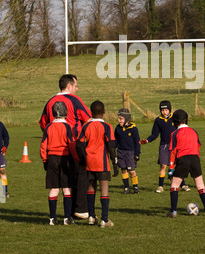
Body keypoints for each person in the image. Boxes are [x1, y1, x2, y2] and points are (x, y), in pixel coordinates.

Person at [39, 74, 91, 220]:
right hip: (73, 144)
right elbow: (87, 119)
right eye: (75, 86)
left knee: (59, 184)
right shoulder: (74, 100)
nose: (77, 88)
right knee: (81, 174)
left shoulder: (50, 102)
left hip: (53, 150)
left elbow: (43, 123)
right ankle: (80, 209)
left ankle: (63, 215)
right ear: (69, 86)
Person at [76, 100, 118, 228]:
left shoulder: (86, 126)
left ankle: (91, 216)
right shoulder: (107, 127)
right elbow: (111, 145)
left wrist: (83, 159)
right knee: (104, 189)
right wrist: (114, 163)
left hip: (90, 161)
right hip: (102, 162)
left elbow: (79, 144)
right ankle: (104, 219)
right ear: (104, 112)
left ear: (91, 112)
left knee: (91, 188)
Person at [166, 109, 205, 217]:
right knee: (200, 184)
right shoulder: (194, 131)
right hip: (195, 159)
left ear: (174, 121)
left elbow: (173, 151)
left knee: (174, 185)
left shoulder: (174, 133)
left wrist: (171, 168)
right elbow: (198, 146)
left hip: (183, 159)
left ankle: (173, 211)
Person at [40, 101, 79, 225]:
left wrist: (45, 159)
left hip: (51, 159)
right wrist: (76, 158)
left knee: (54, 189)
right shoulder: (68, 127)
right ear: (65, 112)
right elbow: (72, 144)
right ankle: (67, 218)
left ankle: (52, 218)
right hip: (65, 158)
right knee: (67, 189)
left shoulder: (48, 127)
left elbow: (43, 146)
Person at [140, 100, 190, 193]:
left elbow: (181, 130)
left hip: (175, 145)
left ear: (170, 110)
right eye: (162, 110)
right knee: (163, 165)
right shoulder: (158, 120)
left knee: (177, 165)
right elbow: (154, 134)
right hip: (164, 146)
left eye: (166, 110)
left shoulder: (174, 118)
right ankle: (160, 186)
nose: (164, 112)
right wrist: (147, 140)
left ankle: (183, 185)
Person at [115, 108, 141, 194]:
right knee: (123, 170)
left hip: (130, 152)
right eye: (118, 118)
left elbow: (137, 143)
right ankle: (126, 187)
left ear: (126, 119)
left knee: (131, 170)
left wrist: (137, 154)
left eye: (121, 119)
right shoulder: (118, 128)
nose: (119, 120)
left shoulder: (133, 129)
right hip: (120, 152)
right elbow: (116, 141)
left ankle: (135, 186)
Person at [0, 121, 9, 200]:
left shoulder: (0, 124)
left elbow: (6, 136)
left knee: (2, 171)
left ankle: (4, 192)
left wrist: (5, 146)